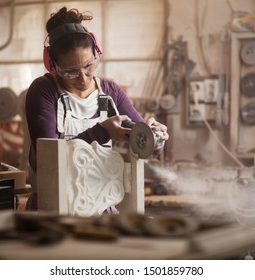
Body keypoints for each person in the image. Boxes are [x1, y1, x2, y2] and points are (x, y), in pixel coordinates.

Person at [25, 6, 169, 210]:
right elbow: (49, 161)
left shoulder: (110, 92)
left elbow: (146, 144)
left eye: (89, 66)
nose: (83, 78)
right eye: (70, 72)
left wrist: (155, 138)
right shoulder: (44, 91)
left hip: (101, 203)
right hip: (55, 205)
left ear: (96, 53)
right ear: (52, 65)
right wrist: (102, 131)